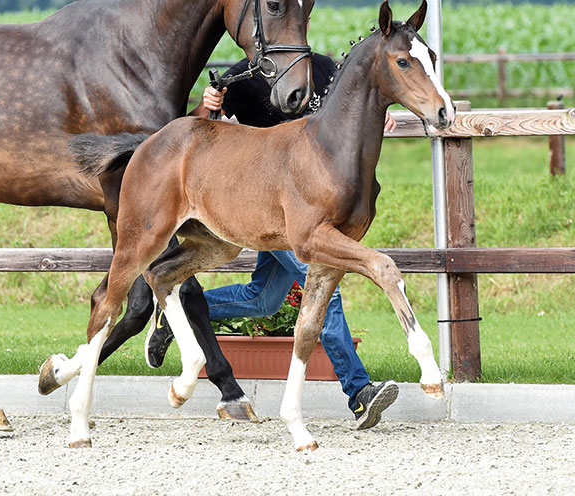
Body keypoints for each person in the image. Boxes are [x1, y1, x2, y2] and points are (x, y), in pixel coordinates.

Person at [146, 53, 399, 430]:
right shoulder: (244, 76)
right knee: (325, 293)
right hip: (276, 206)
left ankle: (179, 309)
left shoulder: (324, 68)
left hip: (318, 202)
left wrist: (378, 115)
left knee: (263, 299)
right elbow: (195, 132)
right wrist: (206, 104)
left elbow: (349, 114)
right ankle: (359, 392)